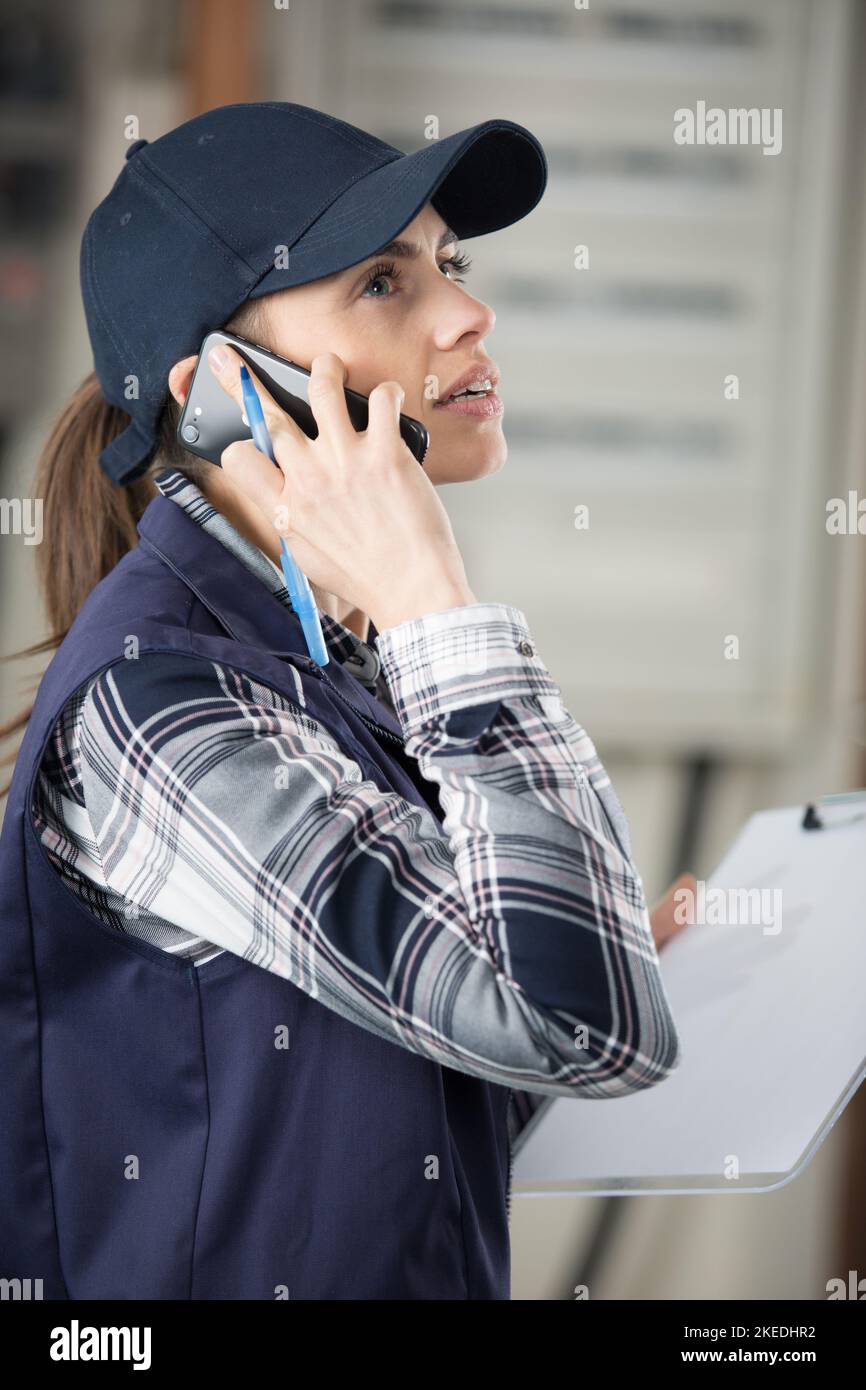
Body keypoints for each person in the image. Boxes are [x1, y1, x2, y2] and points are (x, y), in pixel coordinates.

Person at [0, 102, 684, 1301]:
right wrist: (433, 604)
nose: (468, 313)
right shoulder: (161, 707)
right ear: (225, 387)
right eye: (382, 281)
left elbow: (400, 1093)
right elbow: (593, 1031)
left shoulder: (336, 660)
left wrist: (576, 941)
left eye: (449, 265)